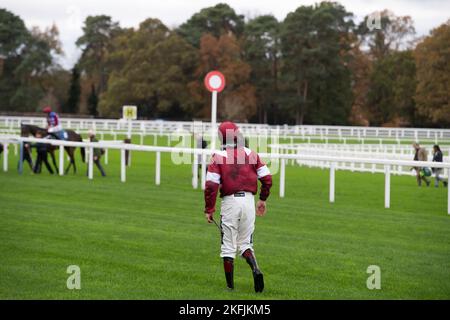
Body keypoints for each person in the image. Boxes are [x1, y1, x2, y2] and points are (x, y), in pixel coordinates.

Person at [204, 121, 272, 293]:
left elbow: (211, 186)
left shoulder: (217, 156)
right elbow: (267, 178)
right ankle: (256, 269)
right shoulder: (251, 153)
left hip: (230, 203)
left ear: (221, 136)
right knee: (245, 243)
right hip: (249, 201)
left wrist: (209, 209)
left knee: (228, 245)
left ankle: (230, 288)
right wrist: (262, 199)